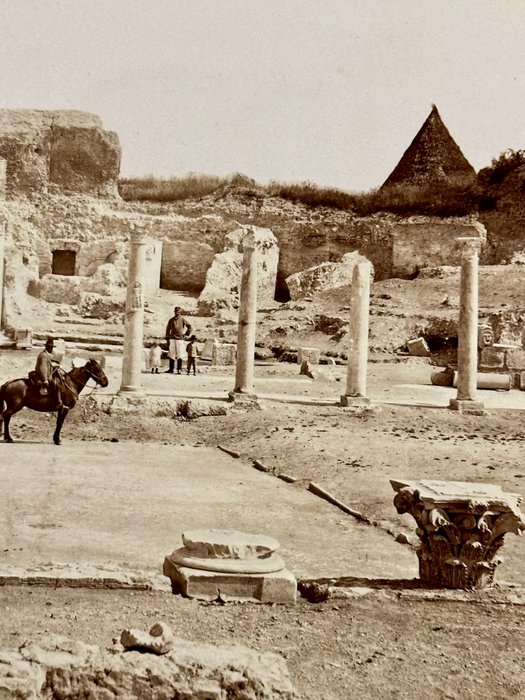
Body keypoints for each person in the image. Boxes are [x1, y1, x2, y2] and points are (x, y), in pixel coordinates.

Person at [34, 337, 63, 408]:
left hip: (47, 375)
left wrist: (55, 366)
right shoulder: (43, 355)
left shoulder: (46, 354)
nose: (52, 349)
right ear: (47, 347)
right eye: (51, 347)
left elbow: (48, 364)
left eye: (52, 347)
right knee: (57, 386)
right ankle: (58, 402)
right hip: (43, 376)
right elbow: (42, 368)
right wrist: (45, 380)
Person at [165, 306, 192, 374]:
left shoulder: (183, 320)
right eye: (176, 312)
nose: (177, 313)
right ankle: (171, 369)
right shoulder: (171, 320)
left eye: (178, 312)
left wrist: (186, 334)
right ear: (174, 312)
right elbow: (168, 329)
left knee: (180, 354)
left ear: (180, 313)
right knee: (172, 354)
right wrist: (167, 338)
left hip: (180, 339)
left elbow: (190, 327)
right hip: (172, 339)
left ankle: (179, 369)